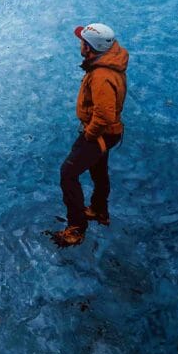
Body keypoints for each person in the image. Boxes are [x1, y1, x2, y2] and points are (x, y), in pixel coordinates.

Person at [51, 23, 129, 248]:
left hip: (101, 133)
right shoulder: (106, 64)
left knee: (68, 174)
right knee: (98, 169)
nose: (80, 44)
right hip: (109, 133)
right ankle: (98, 210)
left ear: (90, 47)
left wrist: (90, 133)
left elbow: (104, 114)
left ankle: (76, 227)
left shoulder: (101, 75)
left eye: (82, 41)